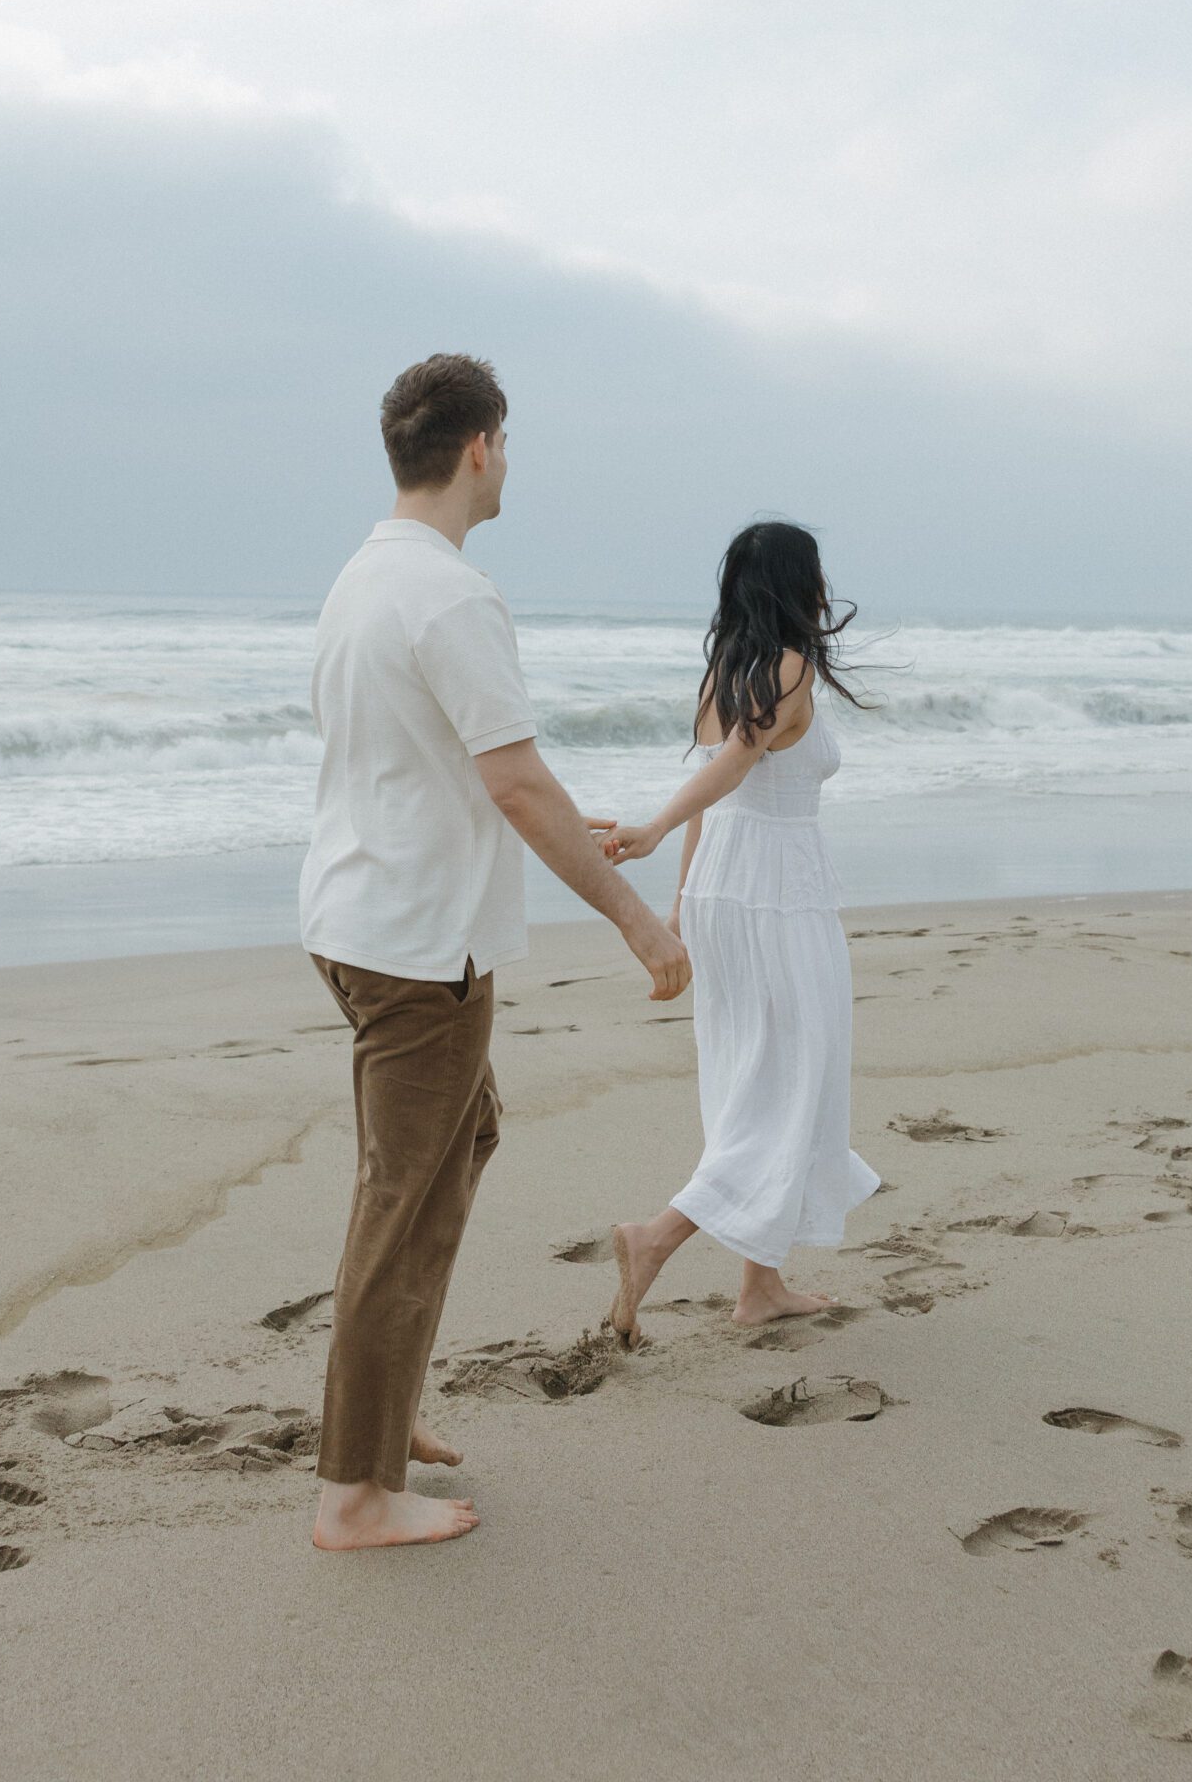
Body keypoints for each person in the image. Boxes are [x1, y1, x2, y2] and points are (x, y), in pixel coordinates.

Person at [300, 353, 690, 1552]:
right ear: (480, 447)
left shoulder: (363, 580)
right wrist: (638, 921)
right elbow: (514, 781)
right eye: (507, 443)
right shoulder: (451, 596)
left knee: (461, 1140)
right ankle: (354, 1494)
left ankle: (387, 1412)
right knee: (399, 1199)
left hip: (363, 918)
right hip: (418, 944)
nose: (508, 462)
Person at [599, 520, 880, 1339]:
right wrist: (651, 835)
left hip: (728, 888)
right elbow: (732, 765)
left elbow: (715, 783)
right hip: (774, 896)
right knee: (791, 1083)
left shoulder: (728, 667)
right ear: (802, 583)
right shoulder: (786, 667)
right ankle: (655, 1237)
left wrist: (684, 902)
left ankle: (760, 1285)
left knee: (758, 1083)